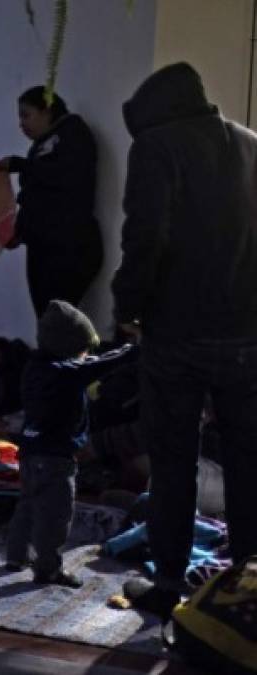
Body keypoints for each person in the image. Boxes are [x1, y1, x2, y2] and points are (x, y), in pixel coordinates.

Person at [112, 62, 257, 617]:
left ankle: (170, 583)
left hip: (177, 335)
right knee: (248, 461)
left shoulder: (157, 148)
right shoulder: (249, 145)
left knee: (175, 461)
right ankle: (247, 584)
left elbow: (144, 237)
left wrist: (128, 309)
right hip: (246, 335)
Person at [5, 300, 136, 588]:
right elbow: (99, 366)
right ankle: (48, 568)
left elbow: (87, 363)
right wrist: (134, 351)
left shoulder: (37, 367)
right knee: (56, 516)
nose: (86, 355)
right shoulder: (67, 374)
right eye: (83, 349)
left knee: (27, 506)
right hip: (56, 458)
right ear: (67, 347)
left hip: (29, 453)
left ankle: (15, 556)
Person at [0, 86, 103, 318]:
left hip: (67, 246)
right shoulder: (40, 146)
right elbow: (36, 198)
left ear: (46, 111)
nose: (21, 124)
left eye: (26, 115)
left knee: (57, 322)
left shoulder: (73, 134)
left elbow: (64, 177)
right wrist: (20, 232)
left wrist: (22, 165)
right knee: (48, 320)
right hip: (43, 247)